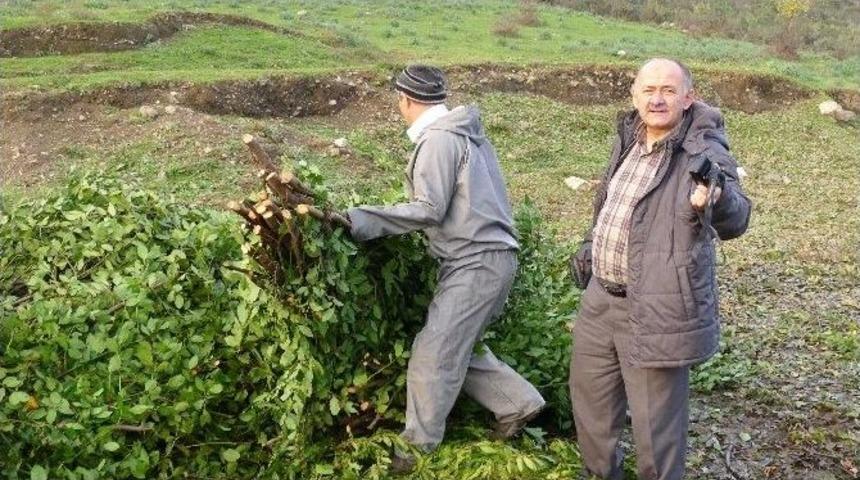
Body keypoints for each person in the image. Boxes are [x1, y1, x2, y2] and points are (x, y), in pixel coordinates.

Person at [346, 65, 545, 473]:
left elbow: (429, 209)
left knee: (433, 353)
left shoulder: (438, 140)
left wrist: (357, 220)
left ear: (404, 100)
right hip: (489, 259)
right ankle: (519, 403)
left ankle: (415, 451)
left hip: (476, 261)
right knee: (454, 345)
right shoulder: (463, 133)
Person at [568, 58, 751, 480]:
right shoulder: (628, 138)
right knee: (592, 413)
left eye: (669, 90)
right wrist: (590, 245)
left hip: (656, 310)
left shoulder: (703, 149)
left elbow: (738, 219)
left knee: (657, 436)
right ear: (634, 96)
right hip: (599, 301)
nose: (657, 99)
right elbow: (612, 206)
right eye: (649, 90)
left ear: (689, 97)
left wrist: (716, 199)